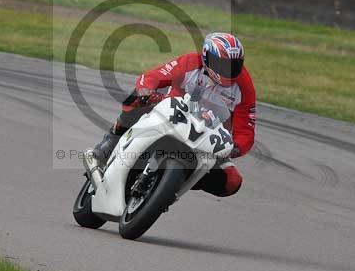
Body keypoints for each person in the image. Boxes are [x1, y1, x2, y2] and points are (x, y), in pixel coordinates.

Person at [90, 32, 256, 197]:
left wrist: (235, 148)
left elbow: (246, 130)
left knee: (232, 181)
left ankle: (175, 182)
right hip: (175, 112)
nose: (228, 71)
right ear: (207, 57)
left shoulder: (244, 87)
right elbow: (154, 76)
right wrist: (145, 90)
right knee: (136, 97)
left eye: (234, 65)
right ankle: (111, 140)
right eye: (222, 64)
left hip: (209, 136)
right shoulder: (191, 62)